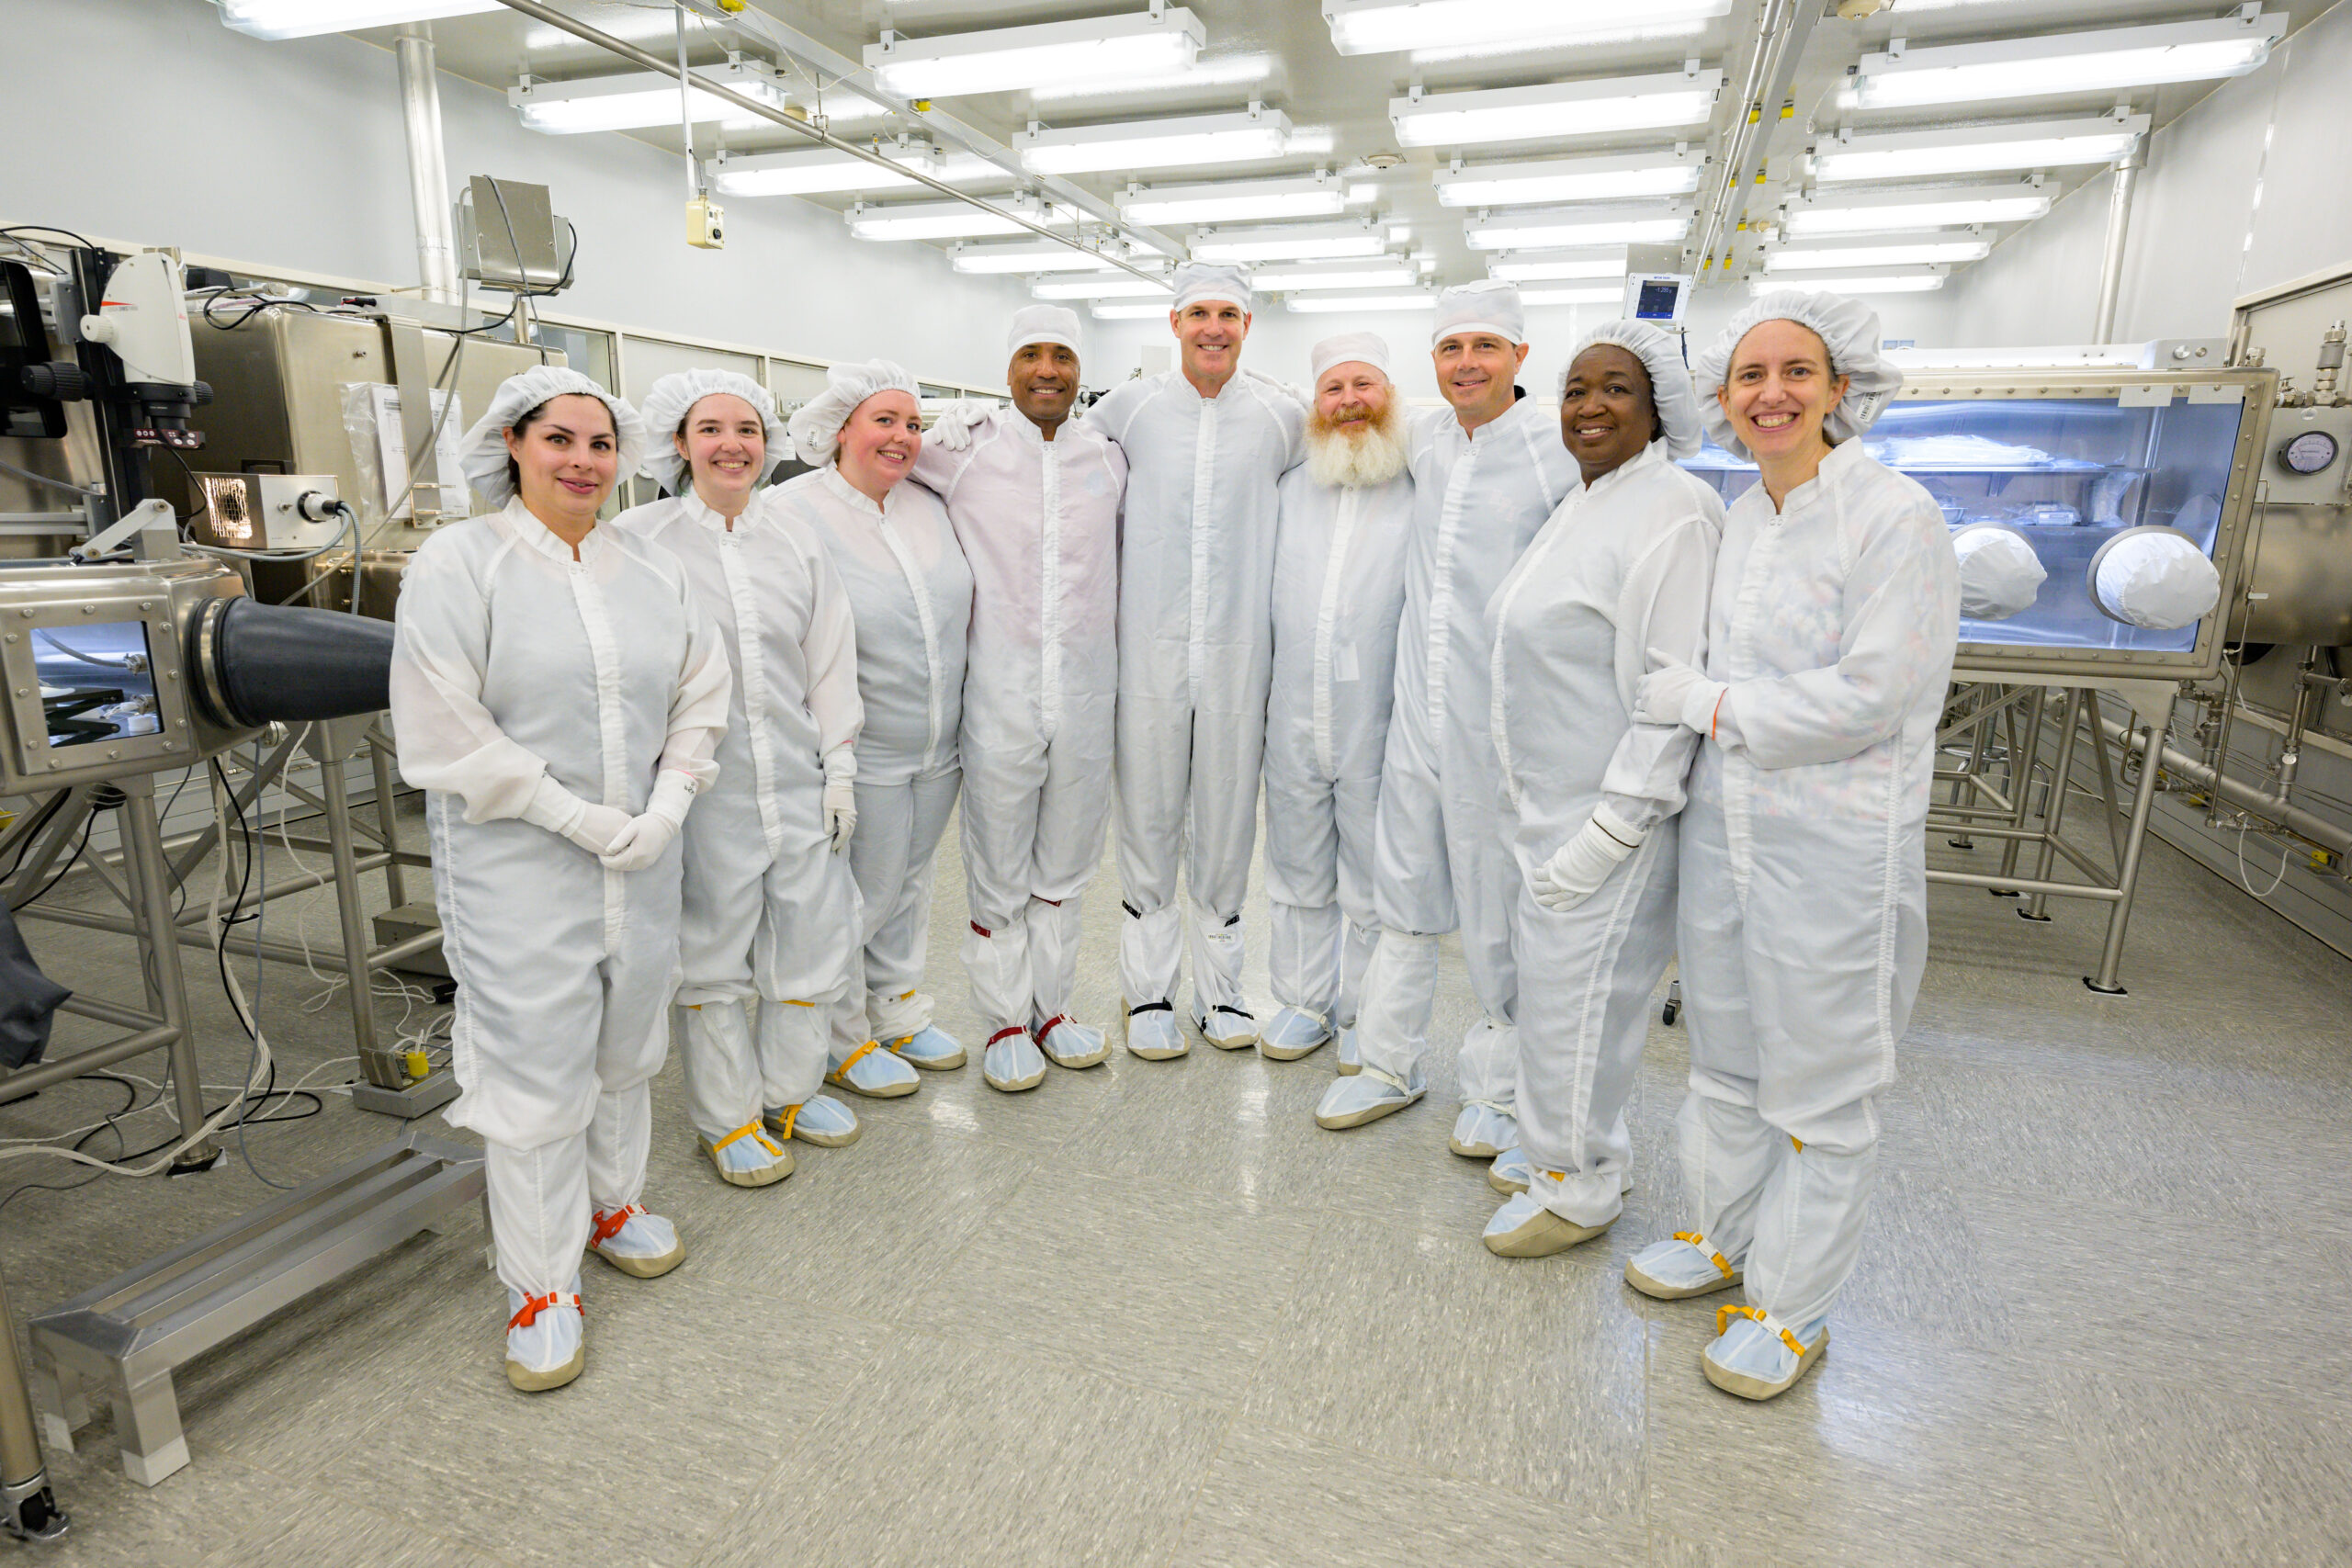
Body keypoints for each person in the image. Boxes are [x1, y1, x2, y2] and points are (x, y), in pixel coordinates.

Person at [1623, 292, 1959, 1402]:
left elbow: (1872, 695)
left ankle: (1793, 1305)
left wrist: (1708, 704)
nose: (1772, 393)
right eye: (1750, 376)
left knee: (1821, 1086)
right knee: (1723, 1057)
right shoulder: (1740, 520)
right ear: (1722, 400)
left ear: (1840, 389)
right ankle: (1719, 1240)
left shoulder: (1891, 516)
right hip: (1730, 831)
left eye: (1796, 373)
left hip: (1837, 847)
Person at [390, 366, 729, 1392]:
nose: (583, 462)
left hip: (644, 857)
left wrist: (666, 806)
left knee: (628, 1041)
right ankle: (539, 1284)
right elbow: (448, 723)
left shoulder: (649, 568)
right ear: (514, 446)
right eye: (560, 441)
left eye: (599, 444)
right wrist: (575, 816)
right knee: (537, 1069)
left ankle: (613, 1204)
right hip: (521, 867)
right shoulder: (463, 563)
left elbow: (700, 693)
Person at [1477, 321, 1723, 1258]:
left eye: (1615, 388)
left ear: (1660, 406)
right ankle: (1550, 1151)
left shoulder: (1674, 508)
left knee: (1585, 1006)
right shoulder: (1583, 501)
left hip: (1610, 816)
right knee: (1549, 996)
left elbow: (1670, 688)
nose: (1588, 406)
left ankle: (1579, 1185)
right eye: (1576, 388)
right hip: (1545, 806)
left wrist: (1613, 827)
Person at [1315, 280, 1577, 1158]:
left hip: (1502, 724)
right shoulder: (1423, 437)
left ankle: (1500, 1090)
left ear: (1520, 358)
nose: (1468, 364)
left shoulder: (1556, 451)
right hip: (1414, 716)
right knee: (1402, 891)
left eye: (1485, 347)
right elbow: (1310, 422)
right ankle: (1390, 1062)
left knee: (1496, 907)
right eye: (1451, 349)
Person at [614, 370, 865, 1187]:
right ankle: (727, 1117)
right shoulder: (642, 539)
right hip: (703, 786)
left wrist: (840, 767)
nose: (733, 445)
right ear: (679, 444)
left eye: (749, 429)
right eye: (712, 429)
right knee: (713, 945)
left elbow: (828, 659)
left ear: (769, 443)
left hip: (796, 773)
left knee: (810, 932)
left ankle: (790, 1090)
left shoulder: (795, 536)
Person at [1084, 262, 1305, 1059]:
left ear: (1249, 326)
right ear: (1174, 323)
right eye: (1200, 313)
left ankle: (1221, 991)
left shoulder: (1283, 418)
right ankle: (1147, 993)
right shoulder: (1128, 408)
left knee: (1225, 817)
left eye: (1230, 315)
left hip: (1241, 652)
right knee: (1145, 813)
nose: (1214, 327)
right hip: (1147, 649)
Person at [915, 308, 1125, 1092]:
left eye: (1062, 357)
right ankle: (1003, 1016)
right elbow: (874, 460)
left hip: (1085, 692)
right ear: (1006, 372)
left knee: (1067, 861)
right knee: (998, 857)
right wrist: (937, 421)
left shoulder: (1107, 457)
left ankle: (1052, 1009)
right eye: (1030, 355)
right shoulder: (965, 452)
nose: (1047, 370)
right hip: (999, 690)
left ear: (1080, 372)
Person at [778, 361, 974, 1097]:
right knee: (855, 894)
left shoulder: (925, 504)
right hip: (861, 745)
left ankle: (894, 1004)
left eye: (913, 424)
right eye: (884, 421)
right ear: (840, 429)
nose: (901, 438)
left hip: (938, 739)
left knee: (910, 882)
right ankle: (838, 1034)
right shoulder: (794, 511)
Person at [1258, 332, 1415, 1067]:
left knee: (1372, 871)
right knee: (1296, 864)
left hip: (1377, 718)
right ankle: (1302, 1000)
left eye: (1365, 385)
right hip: (1291, 709)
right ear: (1314, 404)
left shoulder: (1417, 483)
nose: (1350, 401)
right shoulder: (1294, 487)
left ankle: (1362, 1012)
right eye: (1334, 389)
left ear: (1390, 395)